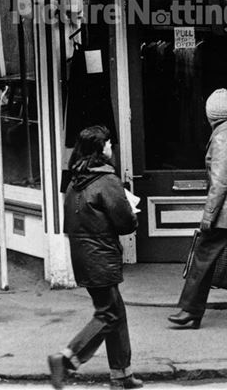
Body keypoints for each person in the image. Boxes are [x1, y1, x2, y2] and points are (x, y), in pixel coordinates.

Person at [48, 125, 142, 390]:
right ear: (101, 149)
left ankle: (121, 375)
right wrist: (132, 214)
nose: (112, 148)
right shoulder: (106, 181)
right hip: (101, 255)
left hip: (81, 255)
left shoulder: (75, 180)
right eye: (109, 144)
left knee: (115, 312)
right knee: (109, 315)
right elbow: (125, 223)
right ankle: (66, 358)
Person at [168, 88, 227, 330]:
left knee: (203, 257)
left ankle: (190, 310)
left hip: (226, 210)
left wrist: (208, 216)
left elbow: (220, 183)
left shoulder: (221, 139)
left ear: (211, 114)